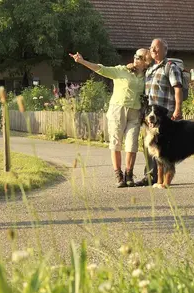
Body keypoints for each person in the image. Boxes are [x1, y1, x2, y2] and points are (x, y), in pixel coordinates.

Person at [70, 50, 150, 187]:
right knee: (116, 142)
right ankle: (119, 175)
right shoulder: (121, 70)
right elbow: (101, 69)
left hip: (135, 112)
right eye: (136, 56)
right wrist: (82, 61)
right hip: (118, 110)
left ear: (146, 61)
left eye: (141, 57)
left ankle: (129, 175)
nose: (136, 58)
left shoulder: (147, 76)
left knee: (132, 144)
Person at [136, 38, 183, 186]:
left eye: (157, 48)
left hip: (165, 116)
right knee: (150, 145)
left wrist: (178, 108)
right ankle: (151, 177)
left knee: (164, 148)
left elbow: (177, 88)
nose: (153, 50)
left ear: (165, 50)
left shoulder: (170, 67)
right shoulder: (150, 69)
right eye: (151, 48)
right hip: (151, 117)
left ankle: (163, 177)